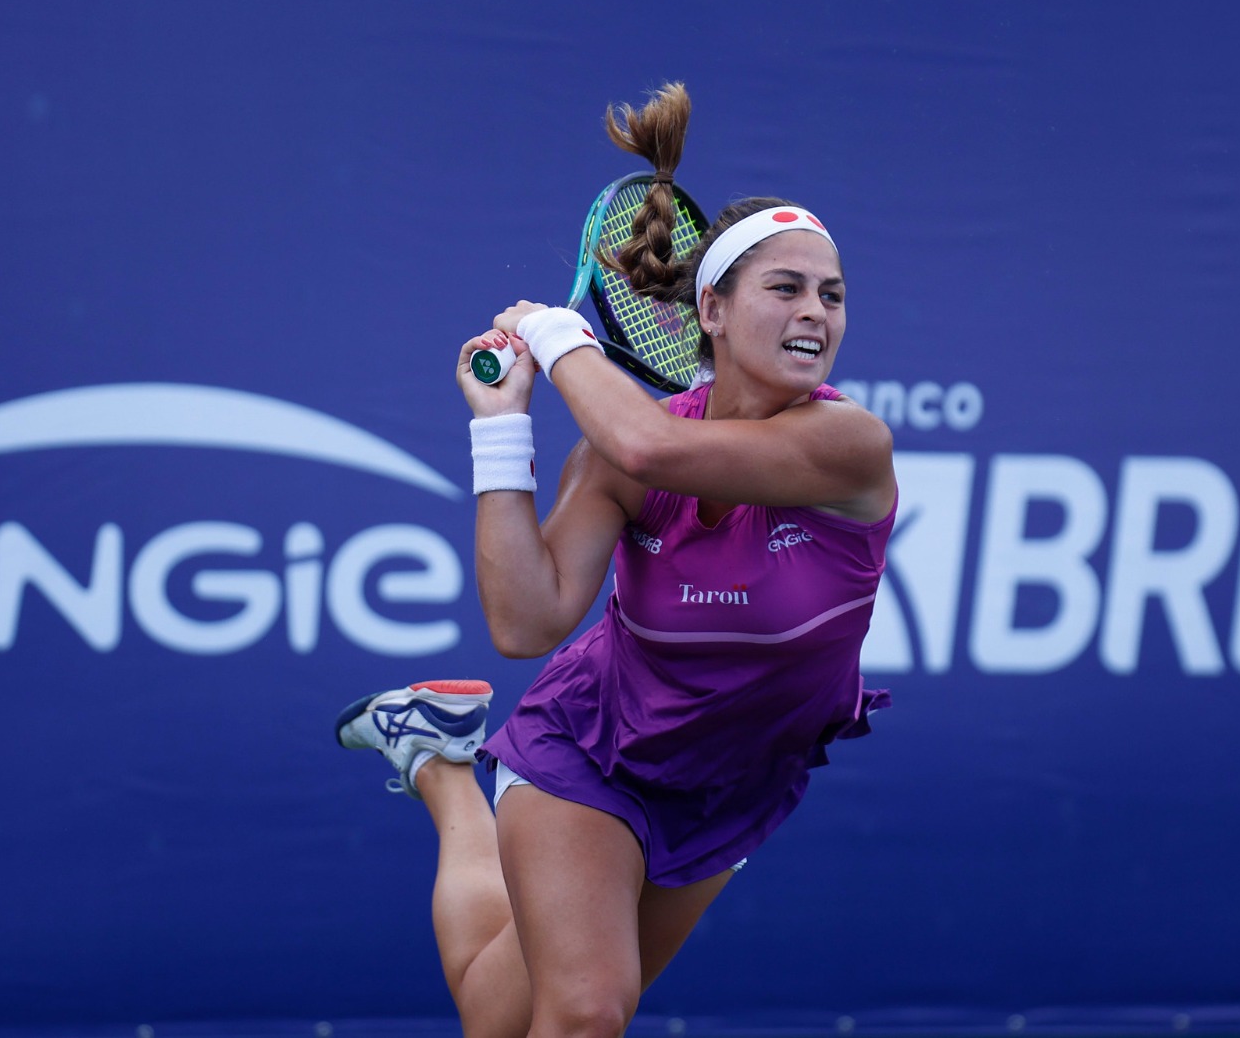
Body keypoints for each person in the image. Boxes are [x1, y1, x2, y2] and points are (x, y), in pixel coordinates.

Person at [335, 83, 897, 1038]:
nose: (818, 312)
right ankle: (454, 763)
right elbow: (528, 621)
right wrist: (503, 430)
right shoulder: (614, 455)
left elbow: (649, 447)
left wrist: (556, 339)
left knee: (495, 1012)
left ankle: (436, 760)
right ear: (709, 311)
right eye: (787, 287)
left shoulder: (849, 447)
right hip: (594, 748)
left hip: (737, 776)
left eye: (832, 294)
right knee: (588, 1013)